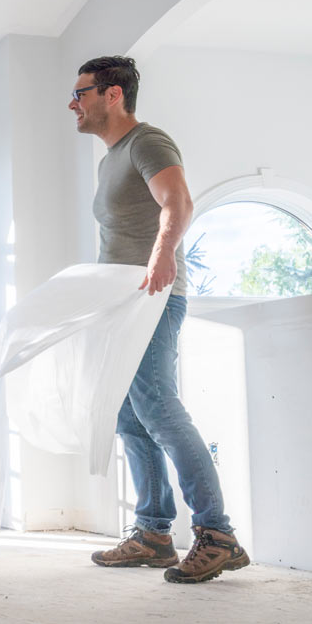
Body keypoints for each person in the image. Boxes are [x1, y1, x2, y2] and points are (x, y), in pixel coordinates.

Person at [70, 55, 250, 584]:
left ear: (113, 94)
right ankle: (153, 532)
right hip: (123, 304)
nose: (73, 104)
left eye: (80, 93)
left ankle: (217, 534)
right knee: (129, 414)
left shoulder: (147, 143)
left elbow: (178, 201)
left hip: (153, 296)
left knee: (157, 405)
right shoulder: (109, 160)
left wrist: (163, 255)